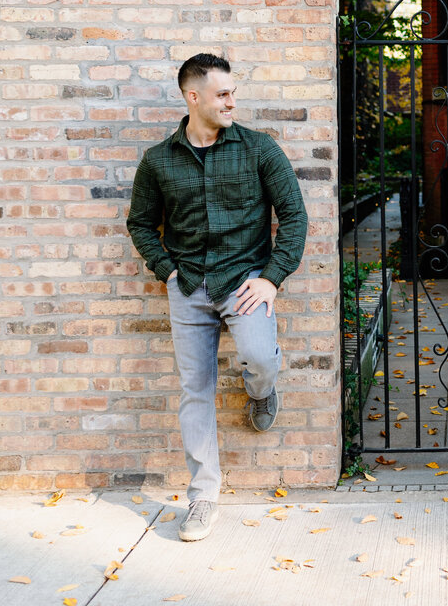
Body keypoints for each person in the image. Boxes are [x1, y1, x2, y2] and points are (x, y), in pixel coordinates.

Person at [127, 53, 308, 542]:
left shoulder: (258, 149)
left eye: (232, 92)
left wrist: (272, 277)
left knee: (258, 357)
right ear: (193, 97)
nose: (232, 101)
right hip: (187, 286)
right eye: (222, 94)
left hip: (245, 280)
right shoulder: (159, 161)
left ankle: (261, 388)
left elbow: (294, 215)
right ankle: (203, 497)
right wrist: (165, 270)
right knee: (195, 390)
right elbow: (140, 224)